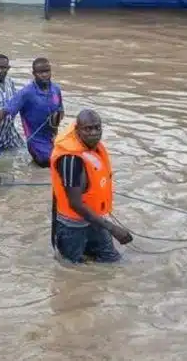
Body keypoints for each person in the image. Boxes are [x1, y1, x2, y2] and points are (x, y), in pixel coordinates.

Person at [50, 109, 132, 264]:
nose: (94, 133)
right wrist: (112, 228)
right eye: (88, 129)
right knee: (71, 269)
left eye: (97, 128)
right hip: (72, 227)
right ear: (77, 130)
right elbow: (75, 204)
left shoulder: (91, 148)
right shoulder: (71, 159)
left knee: (112, 262)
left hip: (95, 220)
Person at [0, 57, 64, 167]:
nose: (45, 75)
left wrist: (56, 133)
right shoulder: (26, 93)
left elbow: (60, 112)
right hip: (35, 141)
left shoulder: (56, 90)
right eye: (40, 72)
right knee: (50, 162)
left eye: (47, 71)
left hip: (52, 137)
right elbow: (2, 112)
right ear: (34, 73)